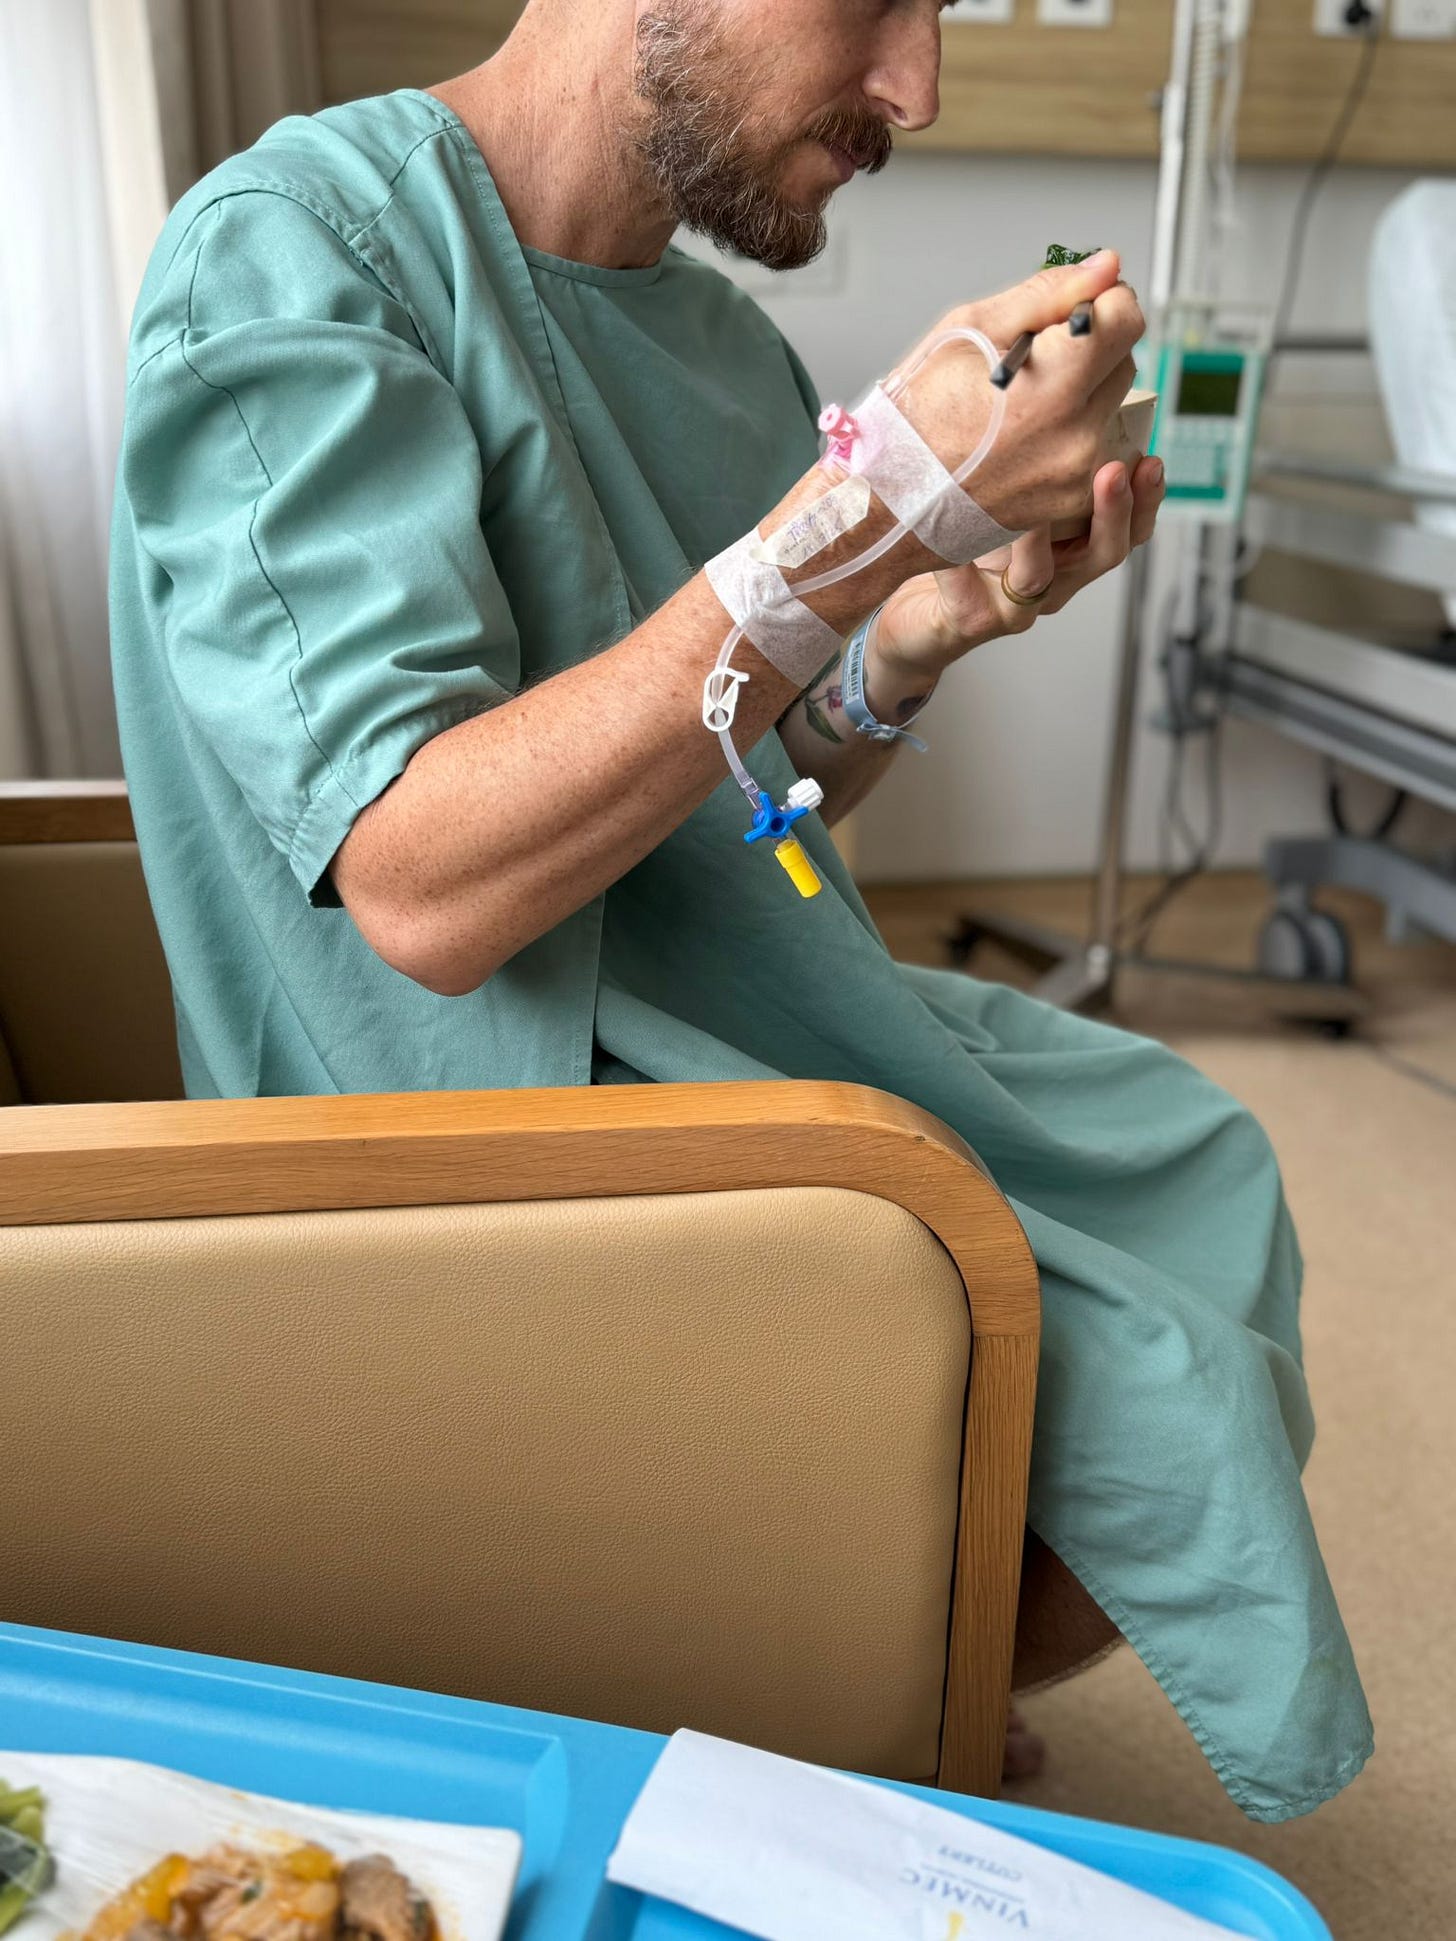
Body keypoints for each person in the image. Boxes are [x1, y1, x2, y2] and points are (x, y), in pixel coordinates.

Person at [110, 0, 1371, 1819]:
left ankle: (848, 1651)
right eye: (879, 6)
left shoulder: (721, 345)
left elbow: (753, 808)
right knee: (1096, 1327)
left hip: (729, 1001)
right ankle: (797, 1665)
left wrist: (912, 642)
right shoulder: (297, 254)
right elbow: (416, 882)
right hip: (459, 1101)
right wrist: (868, 518)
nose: (916, 91)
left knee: (1195, 1164)